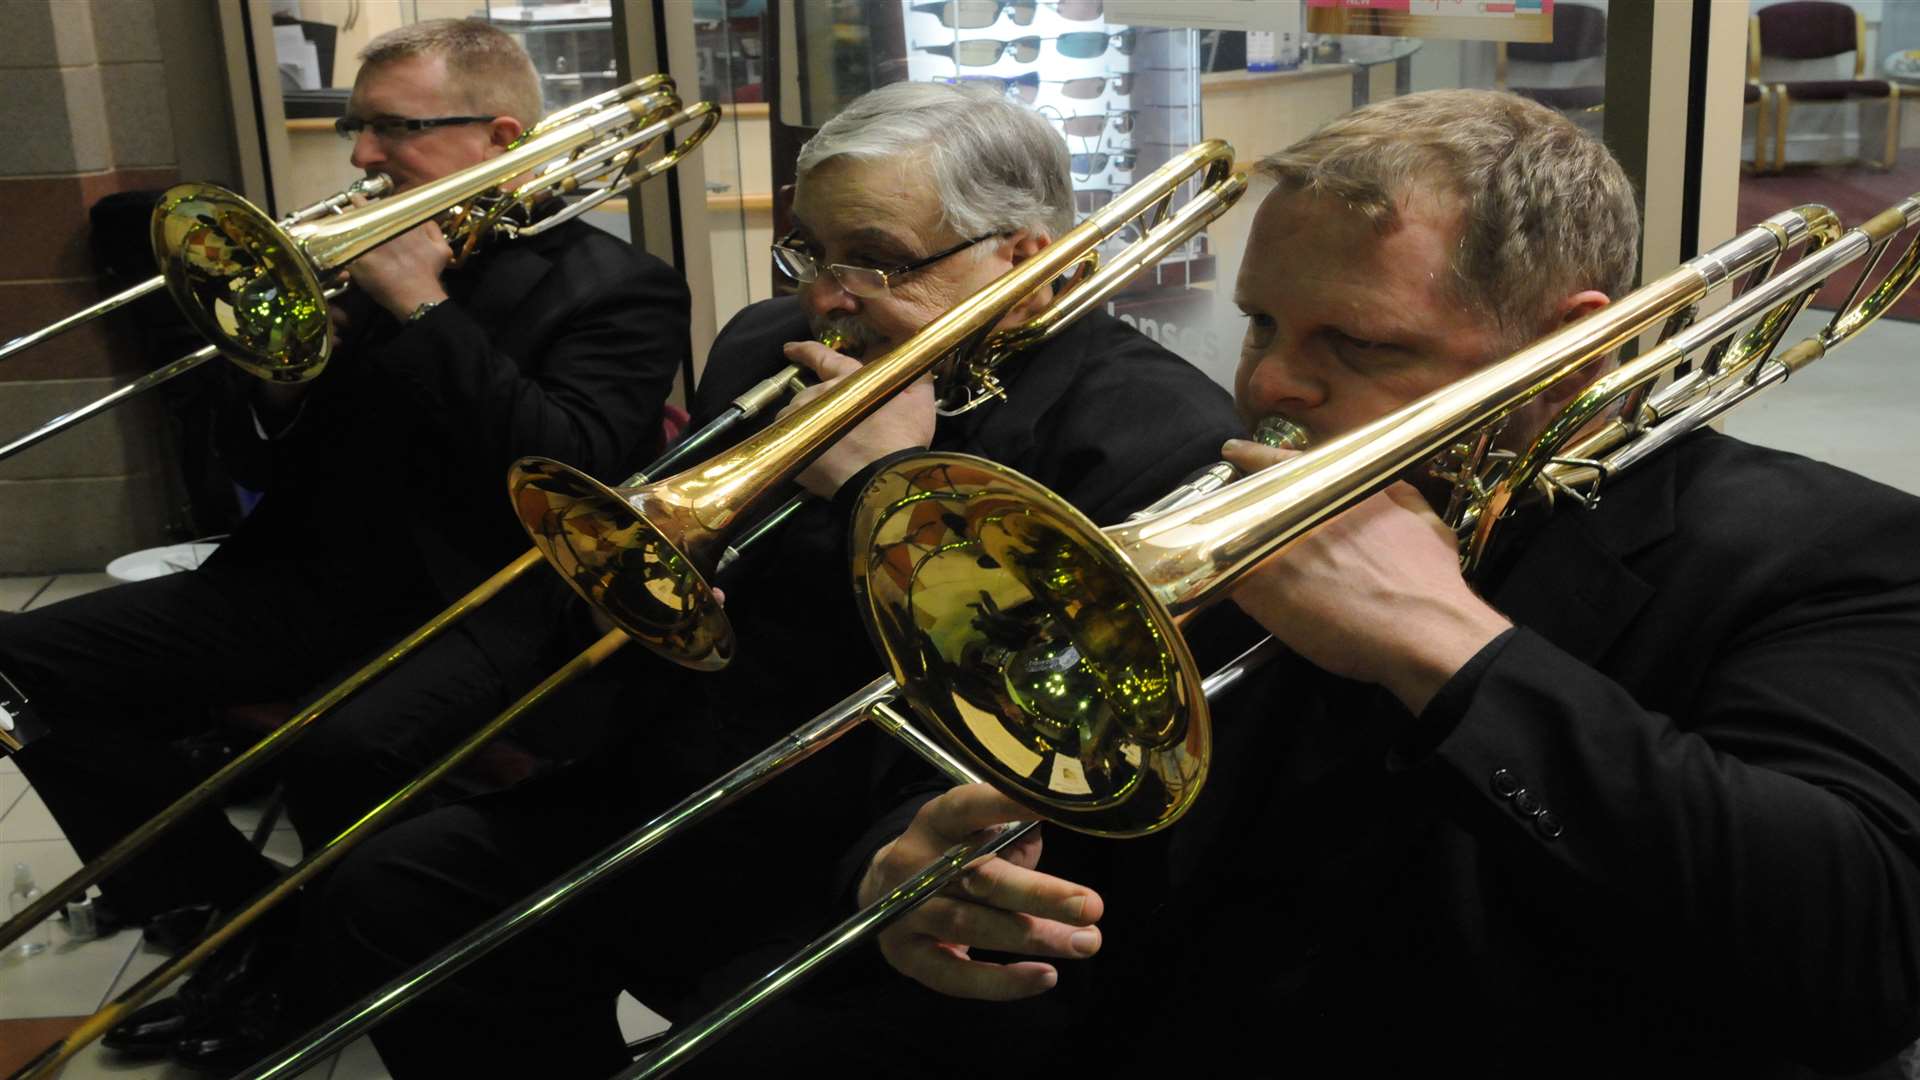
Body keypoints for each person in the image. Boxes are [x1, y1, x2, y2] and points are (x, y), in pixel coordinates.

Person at [677, 89, 1920, 1078]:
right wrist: (903, 877)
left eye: (1359, 345)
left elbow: (1856, 961)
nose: (1272, 387)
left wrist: (1443, 642)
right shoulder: (1214, 506)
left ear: (1568, 342)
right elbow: (945, 790)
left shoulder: (1823, 548)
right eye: (1262, 326)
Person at [225, 79, 1255, 1078]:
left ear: (1028, 258)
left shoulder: (1146, 435)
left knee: (742, 1033)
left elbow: (1072, 737)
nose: (823, 297)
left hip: (894, 834)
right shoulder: (773, 342)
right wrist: (627, 598)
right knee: (391, 887)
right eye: (808, 249)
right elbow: (671, 561)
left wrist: (883, 492)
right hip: (706, 777)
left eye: (875, 262)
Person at [0, 16, 688, 1066]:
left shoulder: (618, 287)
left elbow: (568, 464)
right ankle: (239, 921)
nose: (362, 157)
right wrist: (275, 381)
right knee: (23, 657)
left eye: (391, 129)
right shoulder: (359, 252)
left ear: (499, 135)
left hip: (489, 598)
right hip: (312, 579)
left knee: (347, 753)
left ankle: (314, 981)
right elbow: (262, 464)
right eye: (354, 128)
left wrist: (421, 305)